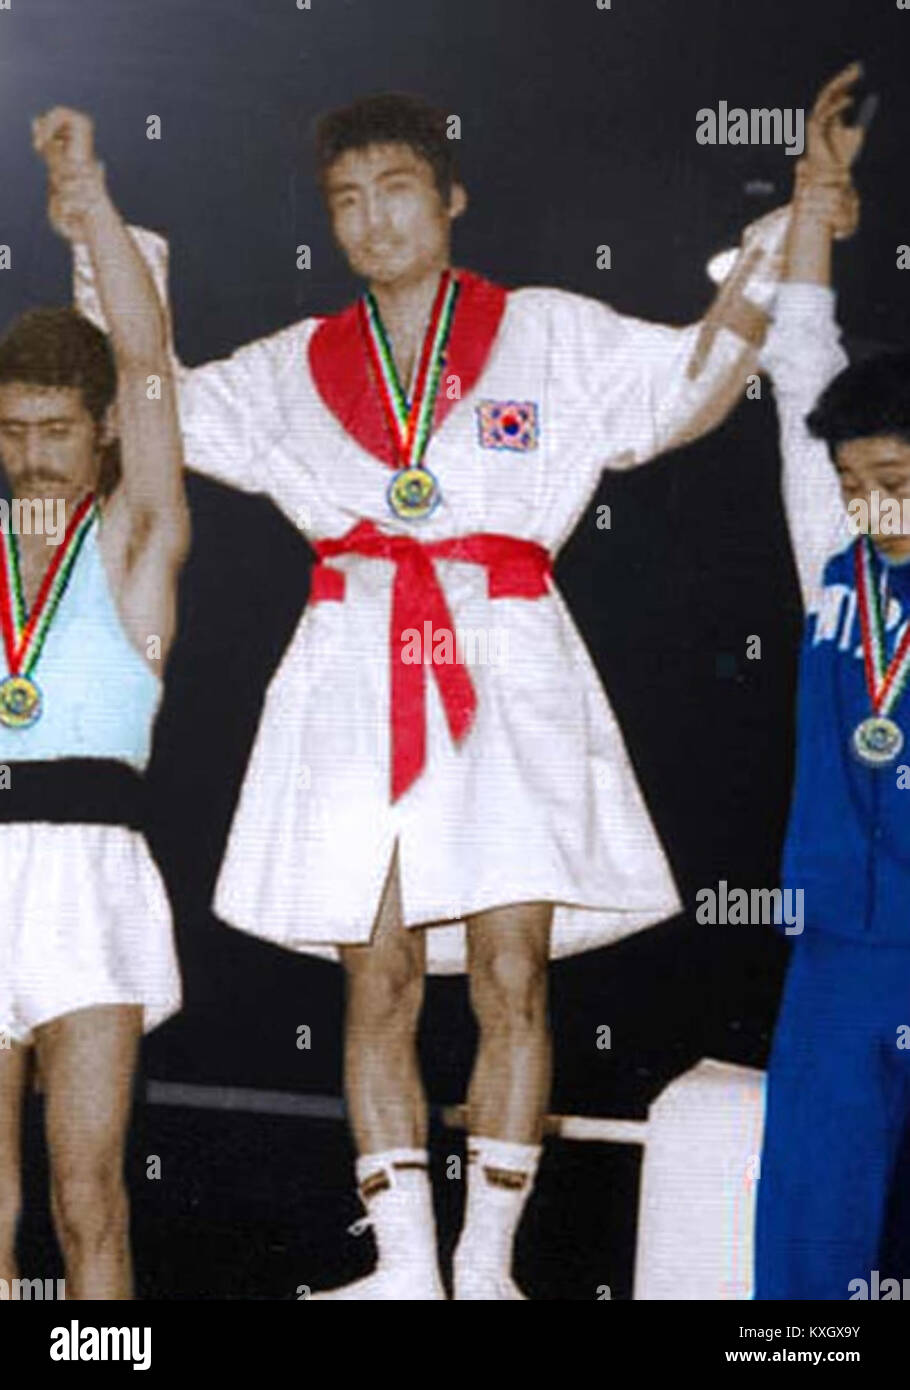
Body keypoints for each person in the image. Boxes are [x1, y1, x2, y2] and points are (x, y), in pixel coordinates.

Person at [70, 81, 811, 1299]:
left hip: (508, 657)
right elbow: (159, 393)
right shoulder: (297, 365)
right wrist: (98, 239)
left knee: (513, 968)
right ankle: (405, 1268)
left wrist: (790, 235)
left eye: (396, 190)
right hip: (355, 660)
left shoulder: (552, 333)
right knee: (380, 974)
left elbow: (685, 383)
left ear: (450, 197)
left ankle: (490, 1263)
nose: (372, 221)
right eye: (346, 201)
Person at [0, 112, 189, 1300]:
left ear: (103, 430)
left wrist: (87, 193)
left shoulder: (134, 541)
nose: (32, 457)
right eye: (12, 433)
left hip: (87, 883)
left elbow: (151, 357)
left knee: (88, 1200)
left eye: (56, 431)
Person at [754, 70, 908, 1300]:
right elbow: (799, 356)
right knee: (807, 1209)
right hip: (844, 938)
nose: (875, 502)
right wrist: (813, 189)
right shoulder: (834, 562)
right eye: (857, 479)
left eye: (898, 473)